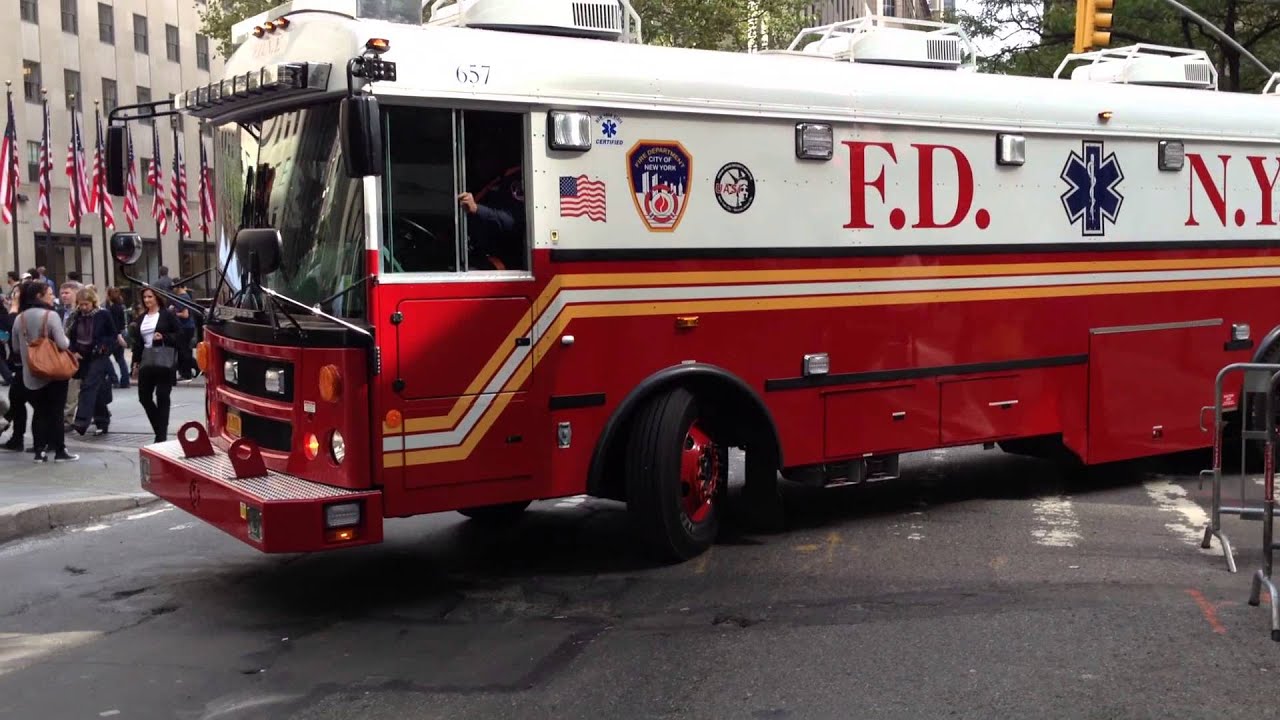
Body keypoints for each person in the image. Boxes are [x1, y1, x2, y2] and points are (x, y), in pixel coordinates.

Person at [14, 281, 77, 462]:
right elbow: (63, 344)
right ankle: (59, 451)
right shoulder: (51, 316)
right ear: (40, 296)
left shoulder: (20, 318)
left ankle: (39, 451)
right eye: (49, 293)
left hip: (31, 374)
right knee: (56, 412)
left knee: (39, 412)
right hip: (53, 373)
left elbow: (16, 348)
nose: (53, 296)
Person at [130, 287, 181, 443]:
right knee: (144, 397)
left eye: (150, 297)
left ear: (157, 298)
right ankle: (160, 429)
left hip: (164, 360)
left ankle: (161, 436)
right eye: (145, 297)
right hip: (147, 360)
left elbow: (181, 334)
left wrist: (164, 336)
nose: (147, 300)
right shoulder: (141, 319)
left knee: (162, 395)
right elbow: (137, 343)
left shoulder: (167, 315)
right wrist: (135, 363)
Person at [66, 287, 115, 436]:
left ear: (93, 302)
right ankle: (102, 421)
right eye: (81, 304)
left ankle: (81, 422)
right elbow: (71, 337)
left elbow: (112, 334)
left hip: (99, 355)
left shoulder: (103, 315)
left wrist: (103, 347)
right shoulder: (76, 316)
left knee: (88, 386)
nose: (83, 307)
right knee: (97, 389)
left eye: (86, 304)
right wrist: (73, 351)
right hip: (82, 356)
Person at [458, 163, 525, 271]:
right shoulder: (492, 180)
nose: (480, 162)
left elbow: (513, 220)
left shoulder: (518, 175)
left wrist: (477, 209)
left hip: (503, 258)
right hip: (474, 251)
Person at [169, 282, 198, 381]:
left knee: (183, 351)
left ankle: (186, 373)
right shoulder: (185, 296)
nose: (172, 289)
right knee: (185, 350)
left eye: (174, 287)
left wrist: (173, 313)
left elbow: (185, 314)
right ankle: (194, 368)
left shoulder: (182, 298)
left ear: (178, 286)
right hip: (188, 327)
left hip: (184, 327)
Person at [105, 287, 130, 389]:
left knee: (105, 357)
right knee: (120, 359)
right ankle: (125, 380)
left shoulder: (111, 309)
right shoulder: (121, 307)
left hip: (113, 336)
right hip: (121, 334)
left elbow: (112, 324)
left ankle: (113, 378)